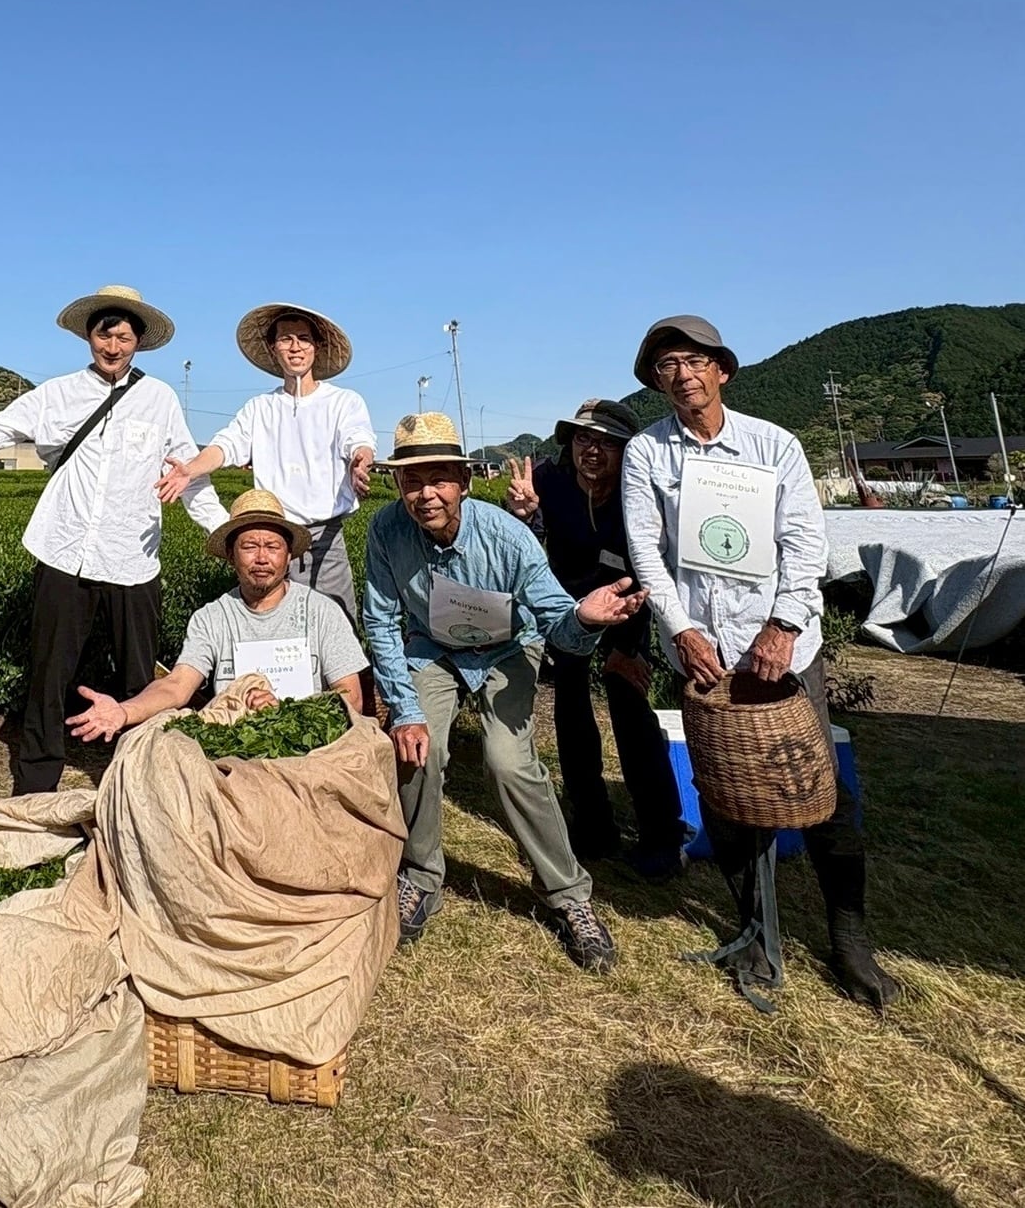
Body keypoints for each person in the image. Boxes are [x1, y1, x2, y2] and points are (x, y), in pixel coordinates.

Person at [621, 314, 899, 1009]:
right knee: (724, 791)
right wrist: (681, 629)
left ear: (722, 370)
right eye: (666, 367)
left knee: (818, 784)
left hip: (781, 649)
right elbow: (645, 551)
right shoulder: (648, 453)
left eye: (693, 361)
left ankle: (849, 937)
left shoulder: (774, 445)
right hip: (704, 652)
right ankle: (752, 926)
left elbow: (805, 542)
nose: (681, 375)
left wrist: (784, 625)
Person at [0, 284, 227, 794]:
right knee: (48, 677)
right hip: (64, 554)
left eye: (123, 336)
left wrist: (227, 532)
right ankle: (35, 787)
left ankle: (136, 783)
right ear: (88, 337)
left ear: (139, 340)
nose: (113, 346)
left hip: (133, 560)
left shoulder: (160, 399)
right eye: (104, 335)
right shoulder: (57, 394)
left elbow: (188, 474)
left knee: (139, 680)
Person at [362, 412, 648, 972]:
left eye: (440, 477)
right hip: (432, 648)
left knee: (509, 763)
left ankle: (568, 896)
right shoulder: (385, 531)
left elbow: (556, 622)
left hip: (507, 650)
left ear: (464, 482)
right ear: (397, 484)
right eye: (412, 480)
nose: (426, 494)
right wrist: (406, 709)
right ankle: (420, 875)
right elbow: (380, 620)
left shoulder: (509, 538)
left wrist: (586, 619)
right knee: (419, 749)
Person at [505, 398, 686, 878]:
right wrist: (523, 515)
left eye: (608, 442)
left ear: (627, 451)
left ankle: (662, 834)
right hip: (571, 609)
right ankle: (592, 824)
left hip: (628, 603)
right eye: (584, 438)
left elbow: (659, 563)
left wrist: (628, 646)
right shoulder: (548, 479)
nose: (593, 451)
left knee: (629, 703)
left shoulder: (640, 493)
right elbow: (530, 539)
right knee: (570, 703)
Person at [67, 488, 368, 739]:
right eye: (249, 546)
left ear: (289, 555)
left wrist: (289, 711)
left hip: (308, 743)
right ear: (230, 555)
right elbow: (177, 686)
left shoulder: (321, 611)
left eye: (273, 547)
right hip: (233, 747)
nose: (261, 558)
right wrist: (124, 711)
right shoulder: (212, 618)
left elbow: (350, 695)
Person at [155, 303, 375, 624]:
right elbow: (227, 445)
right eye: (286, 339)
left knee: (338, 629)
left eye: (303, 338)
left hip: (328, 540)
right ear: (274, 350)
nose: (295, 346)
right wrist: (191, 468)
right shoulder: (260, 408)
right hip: (275, 538)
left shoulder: (343, 401)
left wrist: (360, 462)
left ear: (317, 346)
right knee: (276, 629)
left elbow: (358, 439)